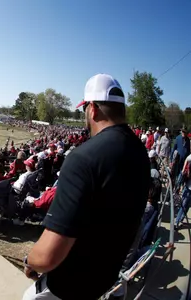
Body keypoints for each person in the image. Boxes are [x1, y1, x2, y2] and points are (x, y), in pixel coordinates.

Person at [23, 74, 150, 300]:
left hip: (70, 286)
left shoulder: (83, 157)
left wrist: (30, 260)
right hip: (105, 280)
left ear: (92, 109)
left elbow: (47, 256)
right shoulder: (140, 152)